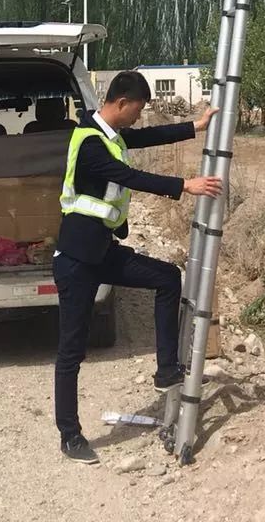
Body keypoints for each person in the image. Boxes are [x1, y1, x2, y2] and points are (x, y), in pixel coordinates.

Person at [53, 70, 222, 464]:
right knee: (72, 351)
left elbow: (146, 137)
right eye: (138, 109)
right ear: (121, 102)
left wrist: (194, 127)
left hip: (102, 252)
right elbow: (128, 176)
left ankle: (166, 369)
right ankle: (70, 436)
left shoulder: (110, 135)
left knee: (167, 278)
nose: (139, 117)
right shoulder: (90, 143)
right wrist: (184, 185)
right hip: (77, 261)